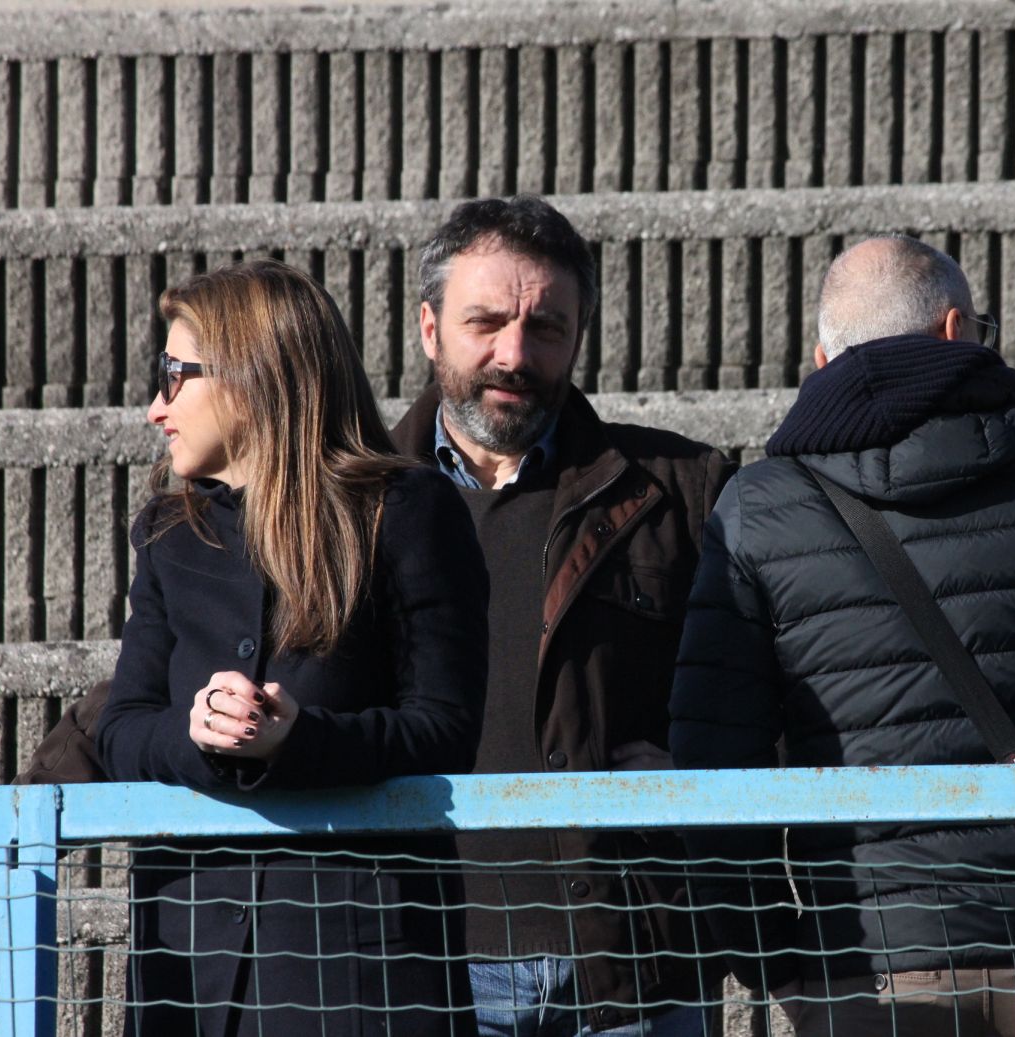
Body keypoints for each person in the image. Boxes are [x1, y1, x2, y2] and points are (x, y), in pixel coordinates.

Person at [668, 236, 1015, 1037]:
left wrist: (773, 960)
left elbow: (714, 766)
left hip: (863, 965)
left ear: (823, 359)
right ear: (958, 329)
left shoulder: (760, 509)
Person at [94, 259, 489, 1036]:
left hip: (359, 970)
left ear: (250, 375)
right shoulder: (168, 534)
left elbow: (445, 727)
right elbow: (120, 728)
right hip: (189, 972)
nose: (154, 407)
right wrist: (198, 734)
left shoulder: (406, 510)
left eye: (174, 375)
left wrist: (297, 740)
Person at [393, 195, 735, 1036]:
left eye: (545, 327)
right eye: (485, 323)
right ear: (430, 328)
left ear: (578, 336)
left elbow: (779, 686)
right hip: (426, 967)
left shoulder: (681, 491)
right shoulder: (351, 498)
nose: (514, 355)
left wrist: (702, 771)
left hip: (632, 966)